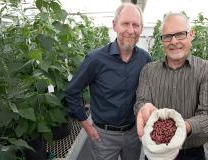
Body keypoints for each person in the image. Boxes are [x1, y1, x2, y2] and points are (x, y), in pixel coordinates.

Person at [64, 3, 151, 160]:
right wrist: (86, 126)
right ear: (114, 25)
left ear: (141, 29)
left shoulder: (145, 59)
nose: (131, 30)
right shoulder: (96, 59)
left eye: (136, 25)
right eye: (125, 23)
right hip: (103, 135)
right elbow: (72, 91)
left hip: (133, 134)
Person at [135, 12, 208, 160]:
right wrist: (143, 108)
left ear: (191, 34)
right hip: (156, 151)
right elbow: (141, 102)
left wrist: (183, 127)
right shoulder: (148, 71)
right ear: (162, 40)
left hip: (191, 153)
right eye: (167, 36)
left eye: (180, 34)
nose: (174, 41)